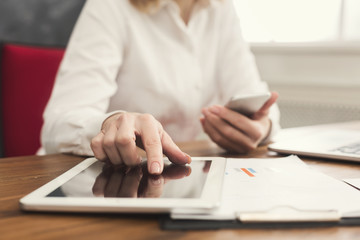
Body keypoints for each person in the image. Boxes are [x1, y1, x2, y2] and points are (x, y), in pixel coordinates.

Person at [41, 0, 280, 175]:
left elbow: (260, 103)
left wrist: (261, 126)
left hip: (174, 177)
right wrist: (110, 123)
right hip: (96, 178)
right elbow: (57, 126)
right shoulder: (110, 6)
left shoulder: (220, 8)